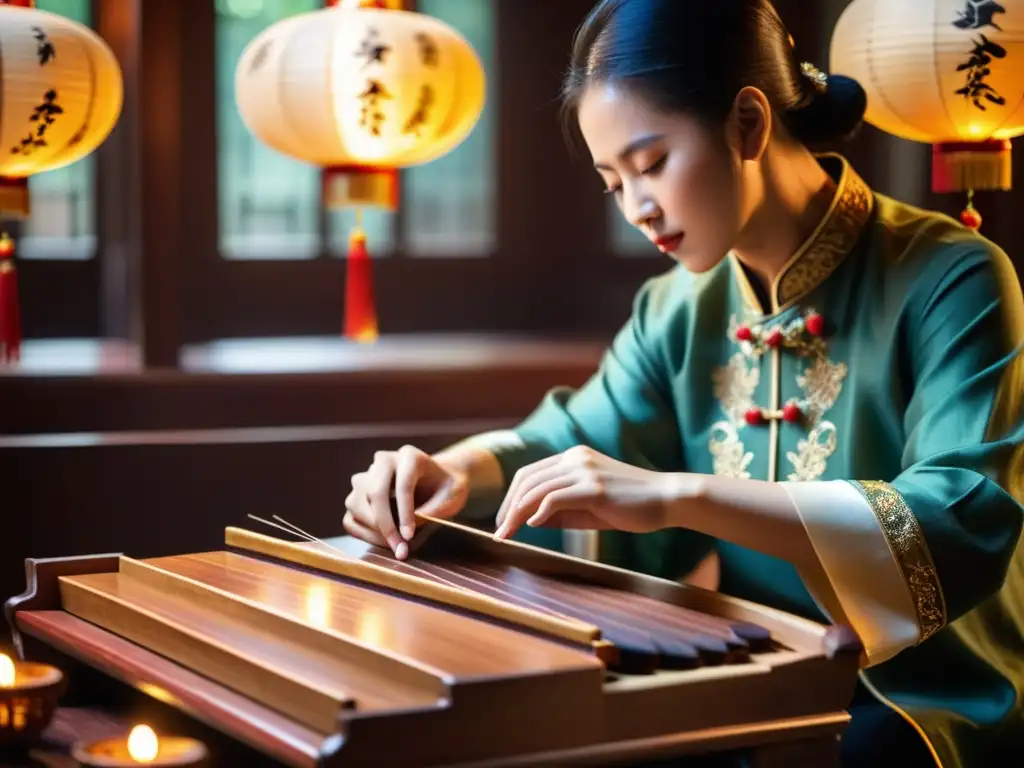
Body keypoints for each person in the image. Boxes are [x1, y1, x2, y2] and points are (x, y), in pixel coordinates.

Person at [342, 0, 1024, 765]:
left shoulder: (950, 276)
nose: (638, 208)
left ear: (747, 124)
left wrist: (676, 494)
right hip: (747, 670)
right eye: (613, 182)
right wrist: (450, 470)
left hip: (916, 699)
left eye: (653, 163)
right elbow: (575, 435)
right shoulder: (677, 305)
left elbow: (961, 516)